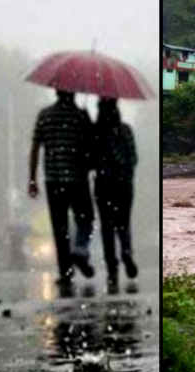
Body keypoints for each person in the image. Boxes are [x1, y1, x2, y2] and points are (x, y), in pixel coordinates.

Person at [28, 89, 96, 291]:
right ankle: (81, 249)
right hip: (77, 179)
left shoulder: (45, 115)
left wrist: (32, 179)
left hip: (53, 180)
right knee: (85, 218)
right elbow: (91, 146)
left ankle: (65, 273)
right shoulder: (80, 116)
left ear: (56, 92)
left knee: (60, 228)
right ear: (73, 93)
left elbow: (35, 147)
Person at [92, 98, 139, 294]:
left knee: (107, 227)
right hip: (124, 186)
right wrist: (124, 173)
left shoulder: (97, 134)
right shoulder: (125, 130)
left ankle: (112, 267)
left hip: (103, 186)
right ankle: (126, 253)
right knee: (123, 223)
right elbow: (133, 158)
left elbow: (90, 161)